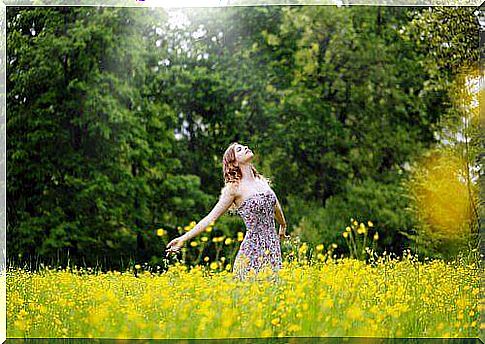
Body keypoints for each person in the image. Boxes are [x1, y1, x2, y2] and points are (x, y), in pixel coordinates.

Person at [165, 142, 289, 281]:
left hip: (272, 247)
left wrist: (283, 225)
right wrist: (183, 238)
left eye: (244, 146)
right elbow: (210, 217)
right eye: (239, 150)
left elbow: (275, 205)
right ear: (234, 162)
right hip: (252, 251)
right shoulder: (233, 189)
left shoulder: (261, 181)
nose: (246, 148)